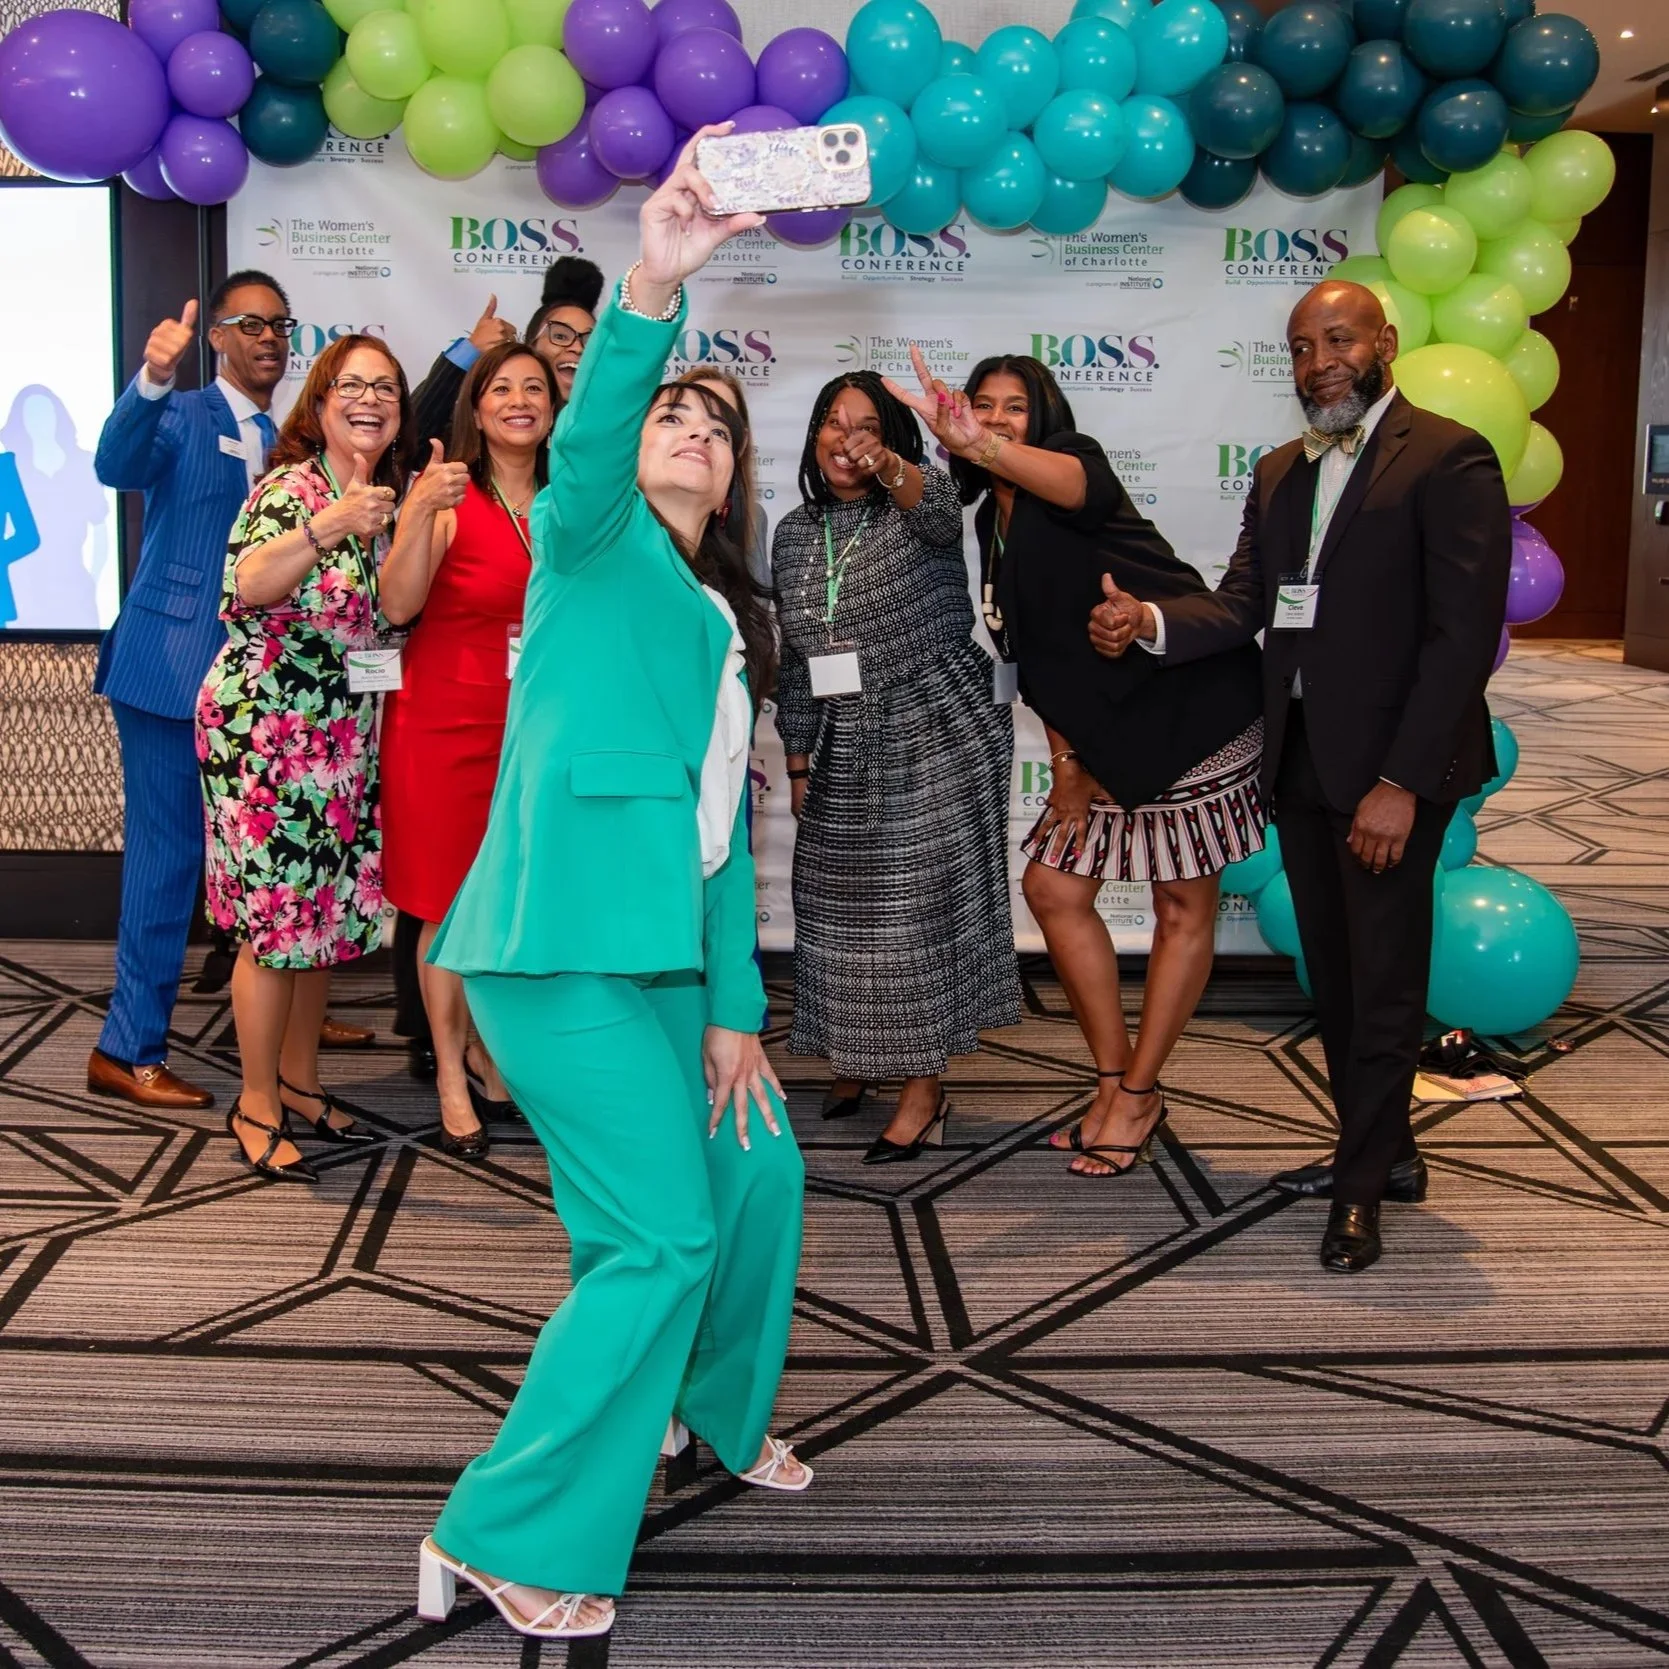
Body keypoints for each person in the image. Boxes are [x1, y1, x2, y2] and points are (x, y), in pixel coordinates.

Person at [416, 134, 806, 1645]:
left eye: (717, 417)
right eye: (672, 409)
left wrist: (735, 1012)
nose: (693, 425)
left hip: (661, 956)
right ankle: (498, 1529)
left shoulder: (723, 621)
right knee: (656, 1236)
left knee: (754, 1160)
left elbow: (715, 840)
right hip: (554, 949)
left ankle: (692, 1408)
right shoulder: (590, 542)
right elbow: (579, 454)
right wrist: (653, 280)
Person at [1090, 280, 1510, 1272]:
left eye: (1337, 338)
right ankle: (1386, 1150)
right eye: (1298, 347)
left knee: (1385, 982)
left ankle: (1359, 1186)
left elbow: (1460, 641)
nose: (1318, 361)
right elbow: (1243, 604)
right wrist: (1147, 622)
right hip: (1307, 765)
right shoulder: (1281, 470)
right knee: (1337, 976)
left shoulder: (1447, 456)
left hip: (1395, 776)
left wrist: (1402, 783)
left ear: (1383, 342)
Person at [890, 348, 1265, 1180]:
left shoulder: (1078, 469)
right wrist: (1067, 760)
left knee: (1178, 903)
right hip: (1102, 733)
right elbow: (1033, 658)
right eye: (979, 404)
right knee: (1053, 888)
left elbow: (1068, 487)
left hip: (1190, 706)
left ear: (1044, 416)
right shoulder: (991, 519)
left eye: (1012, 406)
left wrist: (974, 443)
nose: (992, 418)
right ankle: (1112, 1078)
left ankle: (1136, 1091)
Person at [773, 370, 1017, 1161]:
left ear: (891, 439)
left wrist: (886, 466)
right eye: (831, 424)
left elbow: (946, 517)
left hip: (936, 721)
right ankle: (860, 1053)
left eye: (865, 427)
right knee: (835, 902)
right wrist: (800, 758)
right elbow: (795, 660)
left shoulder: (920, 503)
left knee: (915, 918)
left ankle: (922, 1087)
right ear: (811, 438)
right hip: (845, 730)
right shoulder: (793, 532)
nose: (846, 439)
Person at [197, 334, 416, 1183]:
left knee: (318, 924)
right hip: (265, 735)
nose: (370, 398)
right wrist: (329, 527)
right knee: (274, 925)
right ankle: (255, 1102)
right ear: (320, 403)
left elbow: (385, 618)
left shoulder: (378, 499)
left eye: (386, 387)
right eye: (351, 384)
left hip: (339, 733)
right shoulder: (290, 489)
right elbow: (248, 583)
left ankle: (299, 1080)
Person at [88, 272, 293, 1111]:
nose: (269, 338)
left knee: (258, 863)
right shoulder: (182, 410)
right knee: (167, 864)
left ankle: (290, 1015)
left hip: (251, 687)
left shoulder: (283, 438)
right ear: (215, 335)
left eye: (280, 325)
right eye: (250, 324)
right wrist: (151, 379)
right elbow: (115, 462)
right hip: (170, 672)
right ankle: (126, 1046)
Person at [379, 342, 560, 1161]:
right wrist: (417, 511)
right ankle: (451, 1072)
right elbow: (397, 602)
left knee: (513, 907)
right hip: (445, 724)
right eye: (501, 388)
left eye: (536, 386)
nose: (520, 399)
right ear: (475, 409)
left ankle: (491, 1054)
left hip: (540, 730)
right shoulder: (449, 497)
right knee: (448, 908)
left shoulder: (569, 503)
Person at [410, 256, 604, 448]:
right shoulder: (492, 424)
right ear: (531, 348)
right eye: (560, 336)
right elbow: (410, 439)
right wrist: (470, 350)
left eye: (590, 340)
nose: (578, 348)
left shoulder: (608, 426)